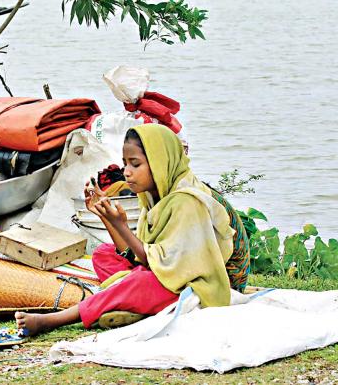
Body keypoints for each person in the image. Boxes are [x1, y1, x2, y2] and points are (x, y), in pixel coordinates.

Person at [15, 123, 250, 336]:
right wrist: (104, 215)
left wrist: (122, 227)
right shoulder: (156, 195)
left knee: (140, 282)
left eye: (135, 164)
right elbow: (140, 254)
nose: (126, 171)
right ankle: (129, 300)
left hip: (207, 287)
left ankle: (54, 320)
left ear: (160, 163)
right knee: (104, 254)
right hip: (171, 272)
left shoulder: (187, 201)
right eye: (125, 163)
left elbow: (159, 265)